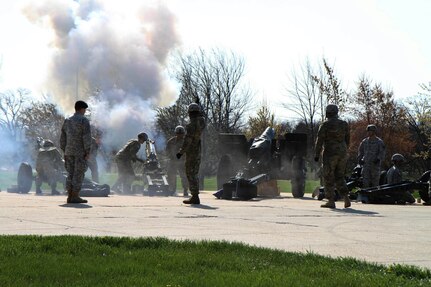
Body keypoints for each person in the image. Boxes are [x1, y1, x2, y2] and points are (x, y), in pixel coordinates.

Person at [314, 104, 351, 209]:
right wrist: (344, 150)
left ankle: (330, 200)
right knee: (340, 176)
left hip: (330, 154)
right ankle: (346, 198)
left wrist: (317, 154)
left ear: (327, 113)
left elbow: (319, 141)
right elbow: (348, 139)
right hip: (342, 153)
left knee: (328, 177)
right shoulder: (344, 124)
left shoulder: (325, 125)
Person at [60, 100, 92, 204]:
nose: (85, 111)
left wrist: (64, 149)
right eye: (85, 109)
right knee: (78, 174)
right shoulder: (83, 121)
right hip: (79, 152)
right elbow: (86, 137)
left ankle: (69, 195)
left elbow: (63, 137)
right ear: (82, 109)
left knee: (70, 173)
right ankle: (75, 196)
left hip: (68, 152)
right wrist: (88, 151)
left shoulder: (67, 120)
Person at [176, 103, 206, 204]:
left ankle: (195, 196)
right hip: (198, 151)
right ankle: (195, 195)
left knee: (190, 173)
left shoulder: (190, 126)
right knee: (195, 173)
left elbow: (188, 141)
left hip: (192, 152)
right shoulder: (201, 122)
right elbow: (202, 120)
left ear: (189, 113)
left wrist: (181, 152)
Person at [166, 125, 189, 196]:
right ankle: (172, 190)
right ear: (176, 133)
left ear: (183, 133)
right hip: (173, 161)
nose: (179, 135)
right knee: (171, 175)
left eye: (181, 133)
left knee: (184, 176)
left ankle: (185, 190)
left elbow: (188, 150)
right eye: (178, 133)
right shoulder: (171, 141)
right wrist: (171, 157)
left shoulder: (186, 141)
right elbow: (167, 150)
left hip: (182, 161)